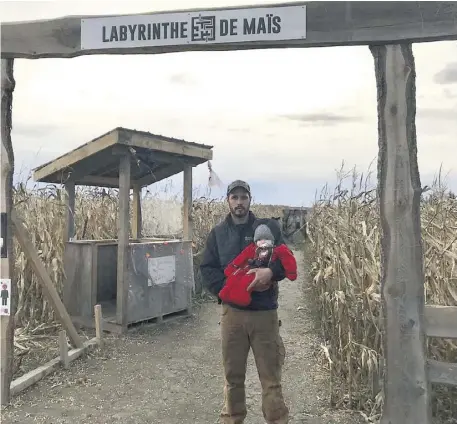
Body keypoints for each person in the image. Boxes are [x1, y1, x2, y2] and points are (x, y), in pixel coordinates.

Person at [200, 180, 290, 424]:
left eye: (243, 197)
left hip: (264, 314)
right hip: (233, 316)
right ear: (228, 200)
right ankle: (233, 418)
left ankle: (276, 419)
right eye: (234, 197)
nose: (239, 202)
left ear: (250, 200)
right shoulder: (218, 233)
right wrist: (226, 291)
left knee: (270, 379)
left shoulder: (267, 228)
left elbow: (285, 258)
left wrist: (270, 273)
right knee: (233, 376)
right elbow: (207, 267)